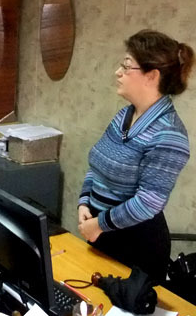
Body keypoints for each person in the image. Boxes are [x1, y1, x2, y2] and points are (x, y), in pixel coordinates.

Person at [78, 29, 193, 283]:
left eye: (126, 66)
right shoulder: (124, 116)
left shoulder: (169, 135)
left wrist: (99, 224)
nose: (117, 72)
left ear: (152, 76)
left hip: (136, 246)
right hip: (101, 232)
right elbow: (96, 165)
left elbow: (147, 203)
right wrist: (84, 202)